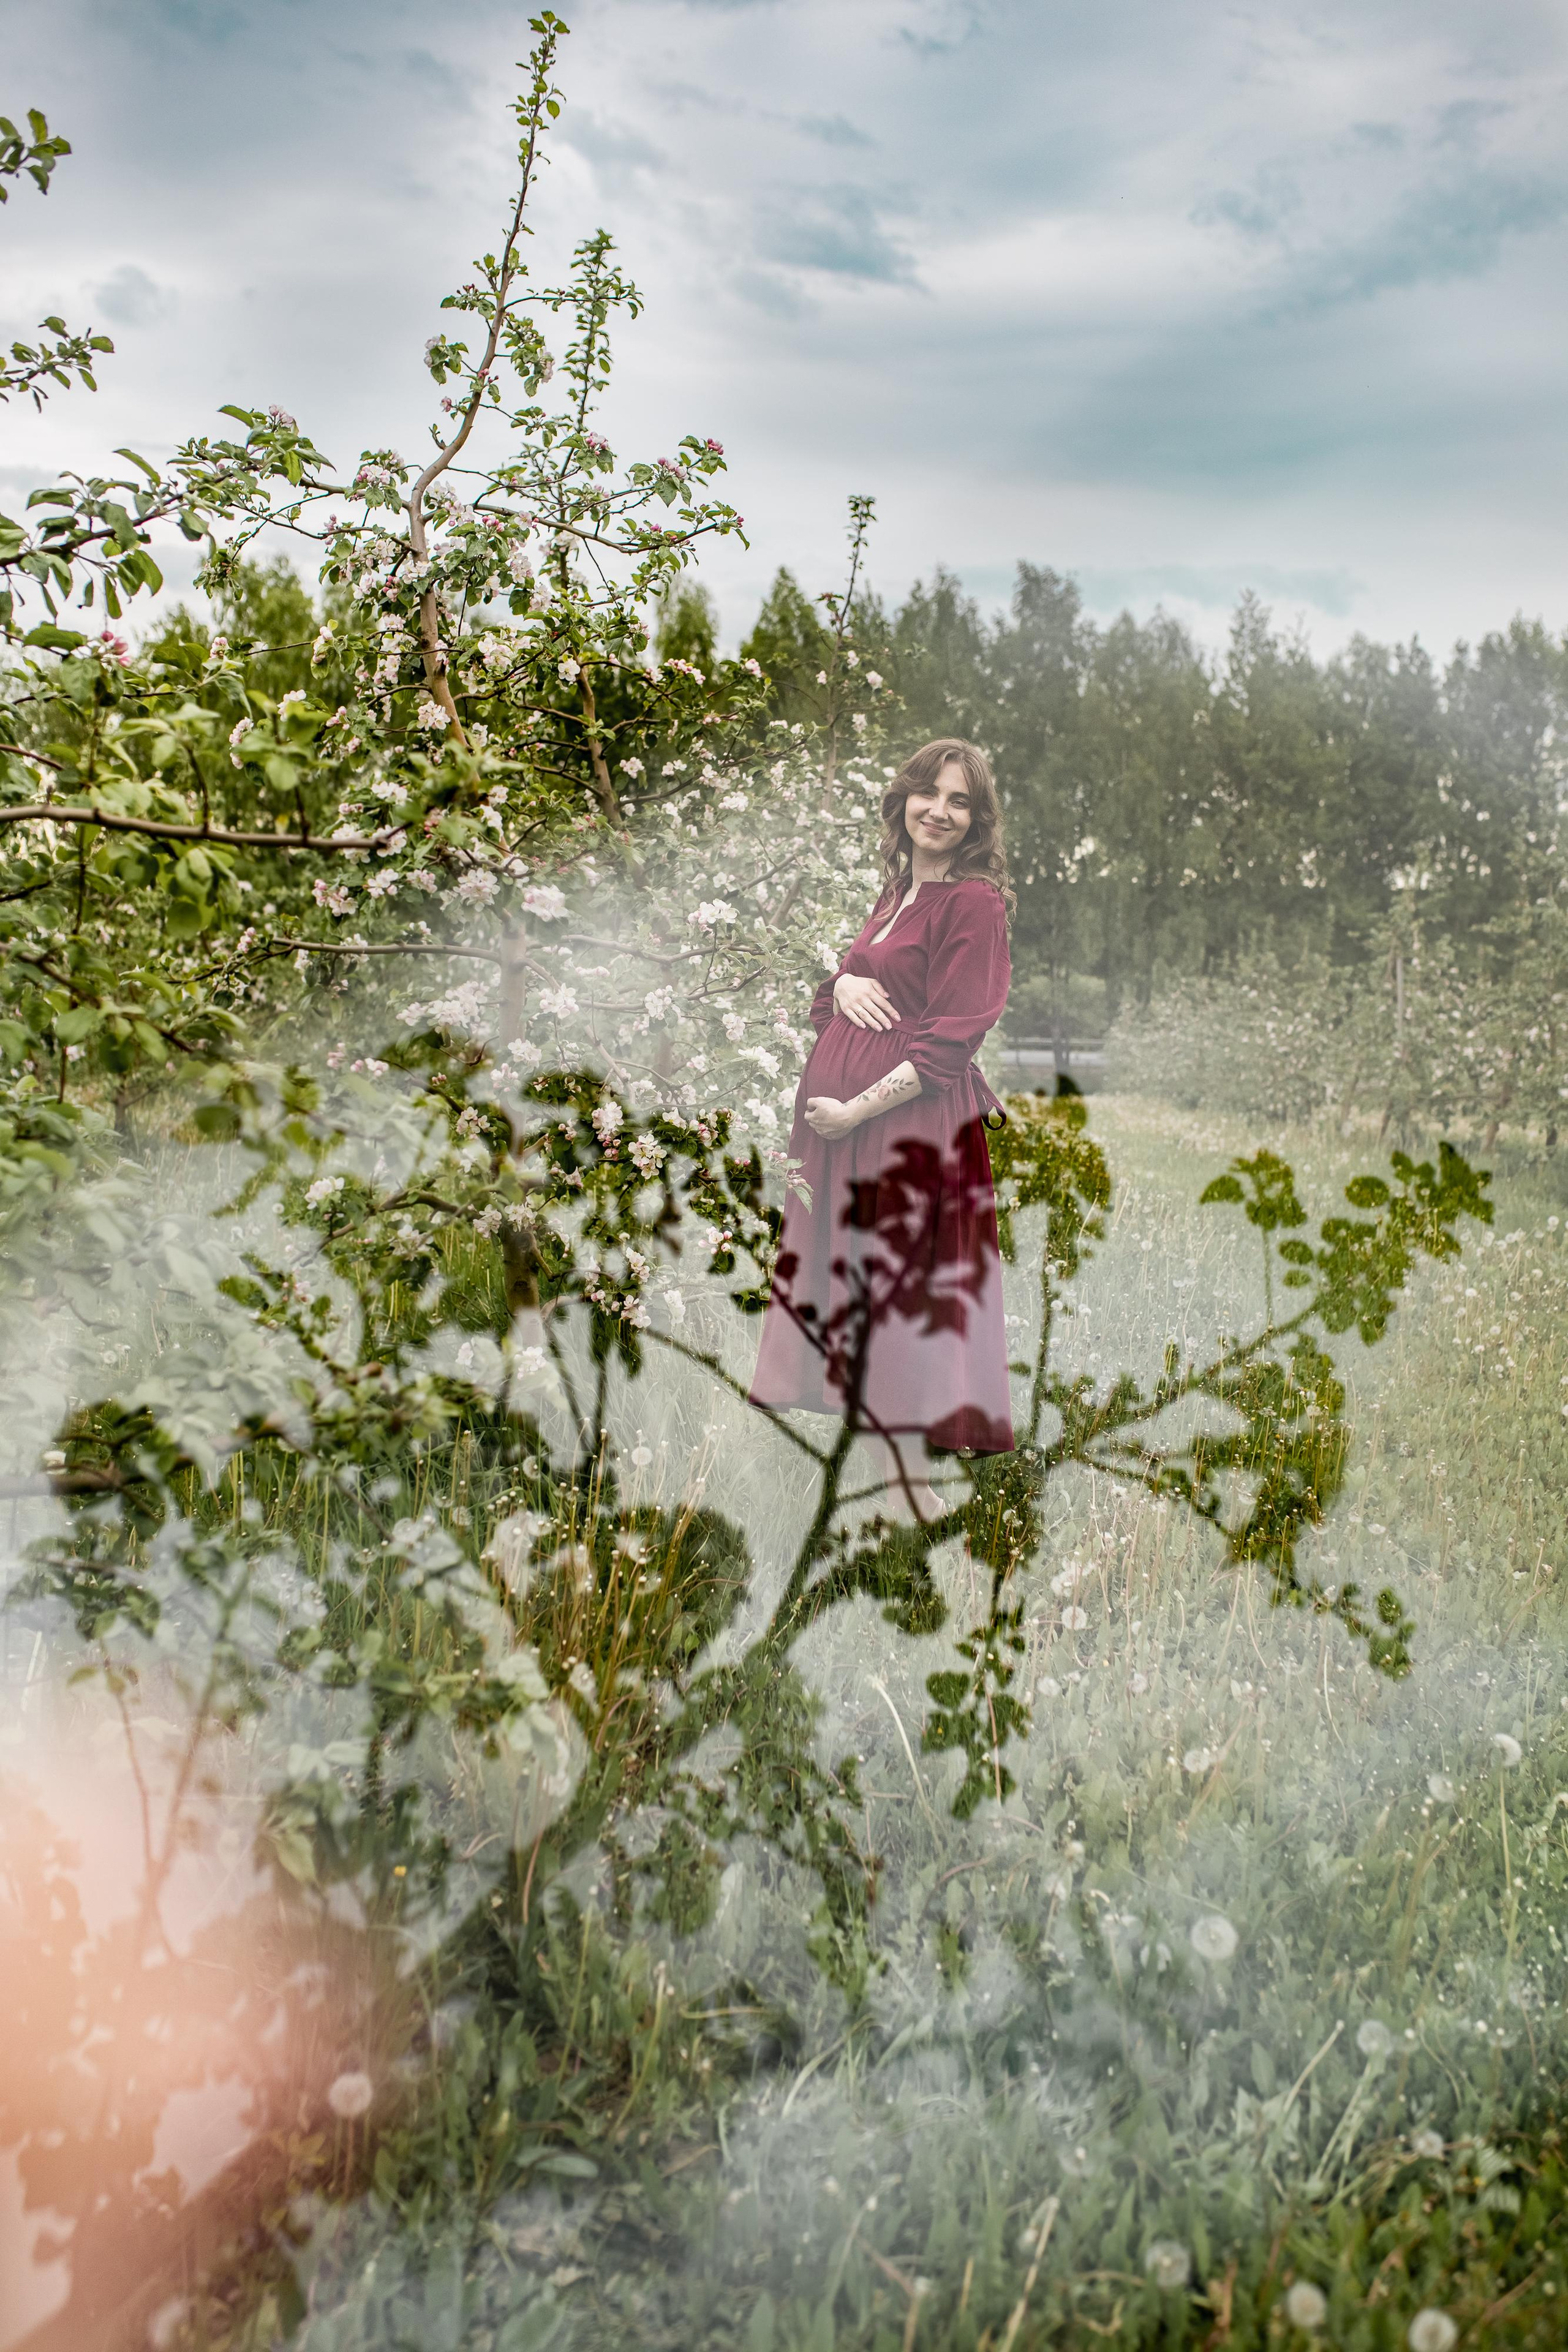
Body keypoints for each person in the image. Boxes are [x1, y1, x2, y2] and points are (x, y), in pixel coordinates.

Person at [749, 736, 1014, 1518]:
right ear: (904, 800)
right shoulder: (899, 889)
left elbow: (951, 1040)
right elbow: (836, 1002)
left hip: (905, 1130)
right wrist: (844, 981)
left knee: (897, 1301)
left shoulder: (973, 903)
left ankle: (910, 1495)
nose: (939, 810)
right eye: (928, 792)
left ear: (976, 820)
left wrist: (855, 1109)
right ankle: (890, 1484)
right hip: (848, 1133)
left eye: (959, 800)